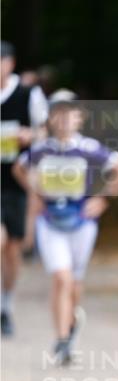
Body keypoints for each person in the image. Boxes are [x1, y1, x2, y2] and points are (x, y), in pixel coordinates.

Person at [12, 91, 118, 364]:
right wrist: (38, 194)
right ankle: (62, 339)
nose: (64, 119)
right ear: (51, 118)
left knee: (75, 281)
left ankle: (71, 323)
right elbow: (19, 168)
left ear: (80, 117)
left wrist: (102, 200)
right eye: (59, 113)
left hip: (81, 222)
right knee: (61, 278)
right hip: (51, 222)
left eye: (70, 113)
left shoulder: (89, 148)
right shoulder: (42, 149)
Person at [1, 41, 48, 336]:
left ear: (10, 63)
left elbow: (46, 130)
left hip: (16, 178)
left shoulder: (29, 95)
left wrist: (29, 136)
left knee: (12, 247)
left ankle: (7, 303)